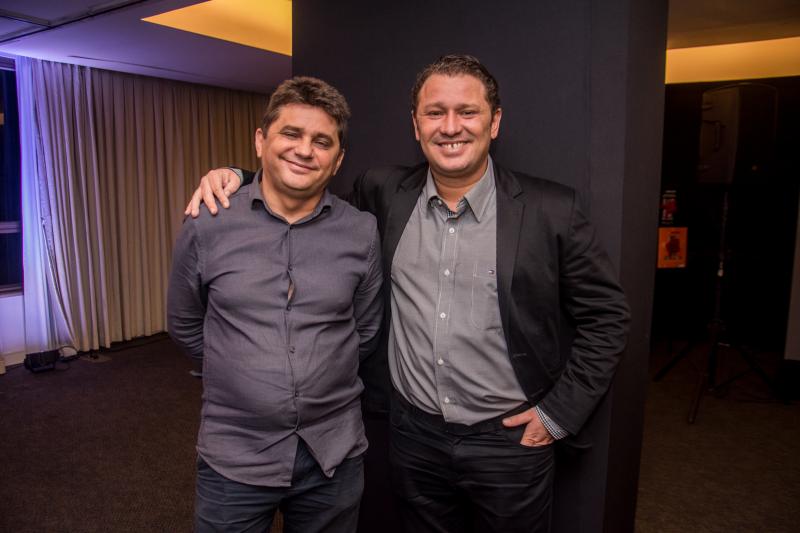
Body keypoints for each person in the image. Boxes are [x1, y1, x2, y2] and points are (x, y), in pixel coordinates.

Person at [186, 55, 630, 533]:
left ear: (494, 121)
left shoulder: (551, 211)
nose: (450, 127)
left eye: (468, 111)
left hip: (508, 443)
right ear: (416, 125)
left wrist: (557, 413)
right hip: (414, 438)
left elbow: (608, 317)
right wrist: (238, 176)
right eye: (435, 112)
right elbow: (302, 194)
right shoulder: (384, 192)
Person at [167, 76, 383, 533]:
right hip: (235, 455)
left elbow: (363, 332)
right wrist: (239, 371)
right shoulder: (207, 223)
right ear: (261, 141)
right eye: (291, 133)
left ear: (337, 159)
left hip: (333, 455)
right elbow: (185, 324)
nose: (305, 150)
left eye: (322, 141)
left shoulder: (361, 231)